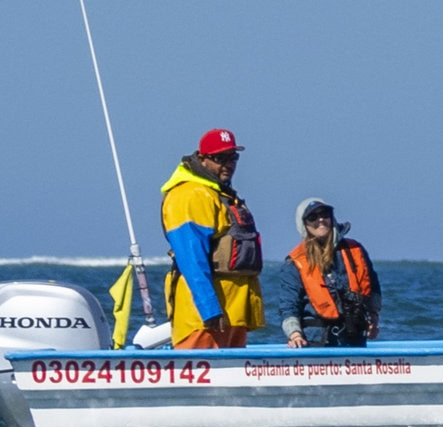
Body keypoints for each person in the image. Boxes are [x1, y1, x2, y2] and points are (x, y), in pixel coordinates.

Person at [159, 127, 264, 350]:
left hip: (234, 313)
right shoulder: (190, 195)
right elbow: (191, 259)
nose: (228, 164)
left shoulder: (222, 194)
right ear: (202, 159)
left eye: (233, 157)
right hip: (204, 318)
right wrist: (210, 309)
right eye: (220, 158)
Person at [282, 198, 381, 347]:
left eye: (325, 214)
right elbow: (288, 305)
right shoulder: (295, 262)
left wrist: (373, 318)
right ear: (304, 224)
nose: (320, 220)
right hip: (317, 340)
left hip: (354, 337)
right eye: (313, 217)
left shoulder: (355, 250)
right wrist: (294, 334)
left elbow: (373, 288)